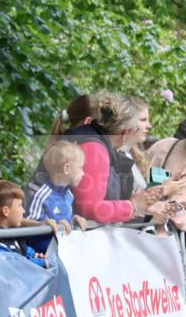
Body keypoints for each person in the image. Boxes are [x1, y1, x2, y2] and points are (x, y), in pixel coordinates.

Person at [69, 93, 167, 223]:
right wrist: (133, 206)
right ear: (126, 132)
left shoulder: (93, 138)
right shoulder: (95, 148)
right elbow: (90, 209)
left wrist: (141, 204)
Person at [24, 141, 88, 251]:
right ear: (66, 169)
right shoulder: (41, 194)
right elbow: (28, 225)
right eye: (80, 168)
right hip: (44, 256)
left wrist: (74, 219)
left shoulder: (69, 195)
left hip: (64, 251)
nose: (83, 173)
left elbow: (65, 221)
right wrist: (48, 225)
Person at [0, 180, 66, 267]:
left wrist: (35, 256)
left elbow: (24, 251)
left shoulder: (12, 235)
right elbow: (14, 264)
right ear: (6, 211)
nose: (23, 211)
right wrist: (42, 263)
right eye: (20, 205)